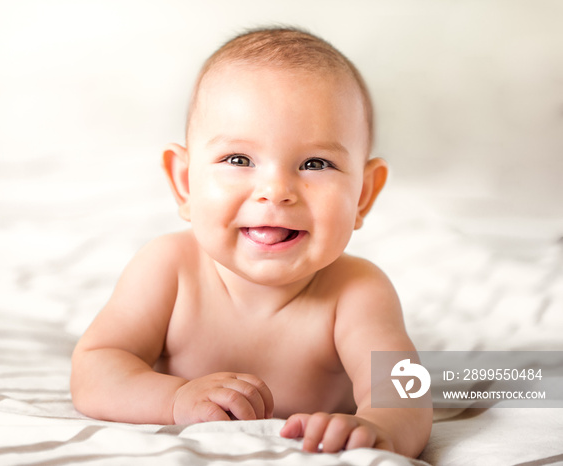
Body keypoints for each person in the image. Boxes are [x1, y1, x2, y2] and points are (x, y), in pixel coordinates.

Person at [71, 26, 432, 457]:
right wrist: (174, 399)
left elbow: (405, 391)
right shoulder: (168, 268)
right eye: (238, 159)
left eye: (316, 163)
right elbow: (95, 368)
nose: (276, 190)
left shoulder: (357, 291)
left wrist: (379, 429)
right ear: (185, 183)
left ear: (364, 195)